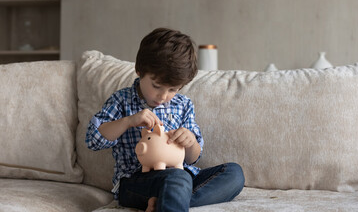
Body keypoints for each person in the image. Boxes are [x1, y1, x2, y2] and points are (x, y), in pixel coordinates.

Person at [86, 28, 245, 212]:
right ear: (139, 71)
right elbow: (92, 140)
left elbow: (192, 159)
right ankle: (171, 199)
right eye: (157, 86)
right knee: (178, 180)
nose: (163, 96)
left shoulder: (183, 104)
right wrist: (128, 121)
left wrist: (190, 141)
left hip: (181, 175)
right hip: (136, 182)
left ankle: (166, 201)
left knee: (234, 173)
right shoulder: (121, 100)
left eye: (173, 90)